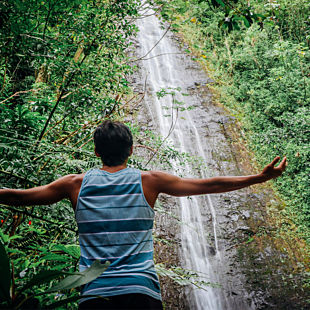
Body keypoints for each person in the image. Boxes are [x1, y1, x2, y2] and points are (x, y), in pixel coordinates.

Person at [0, 120, 287, 310]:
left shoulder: (75, 184)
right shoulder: (149, 180)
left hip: (94, 294)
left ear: (97, 151)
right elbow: (209, 184)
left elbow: (21, 197)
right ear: (132, 150)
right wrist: (258, 178)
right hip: (141, 292)